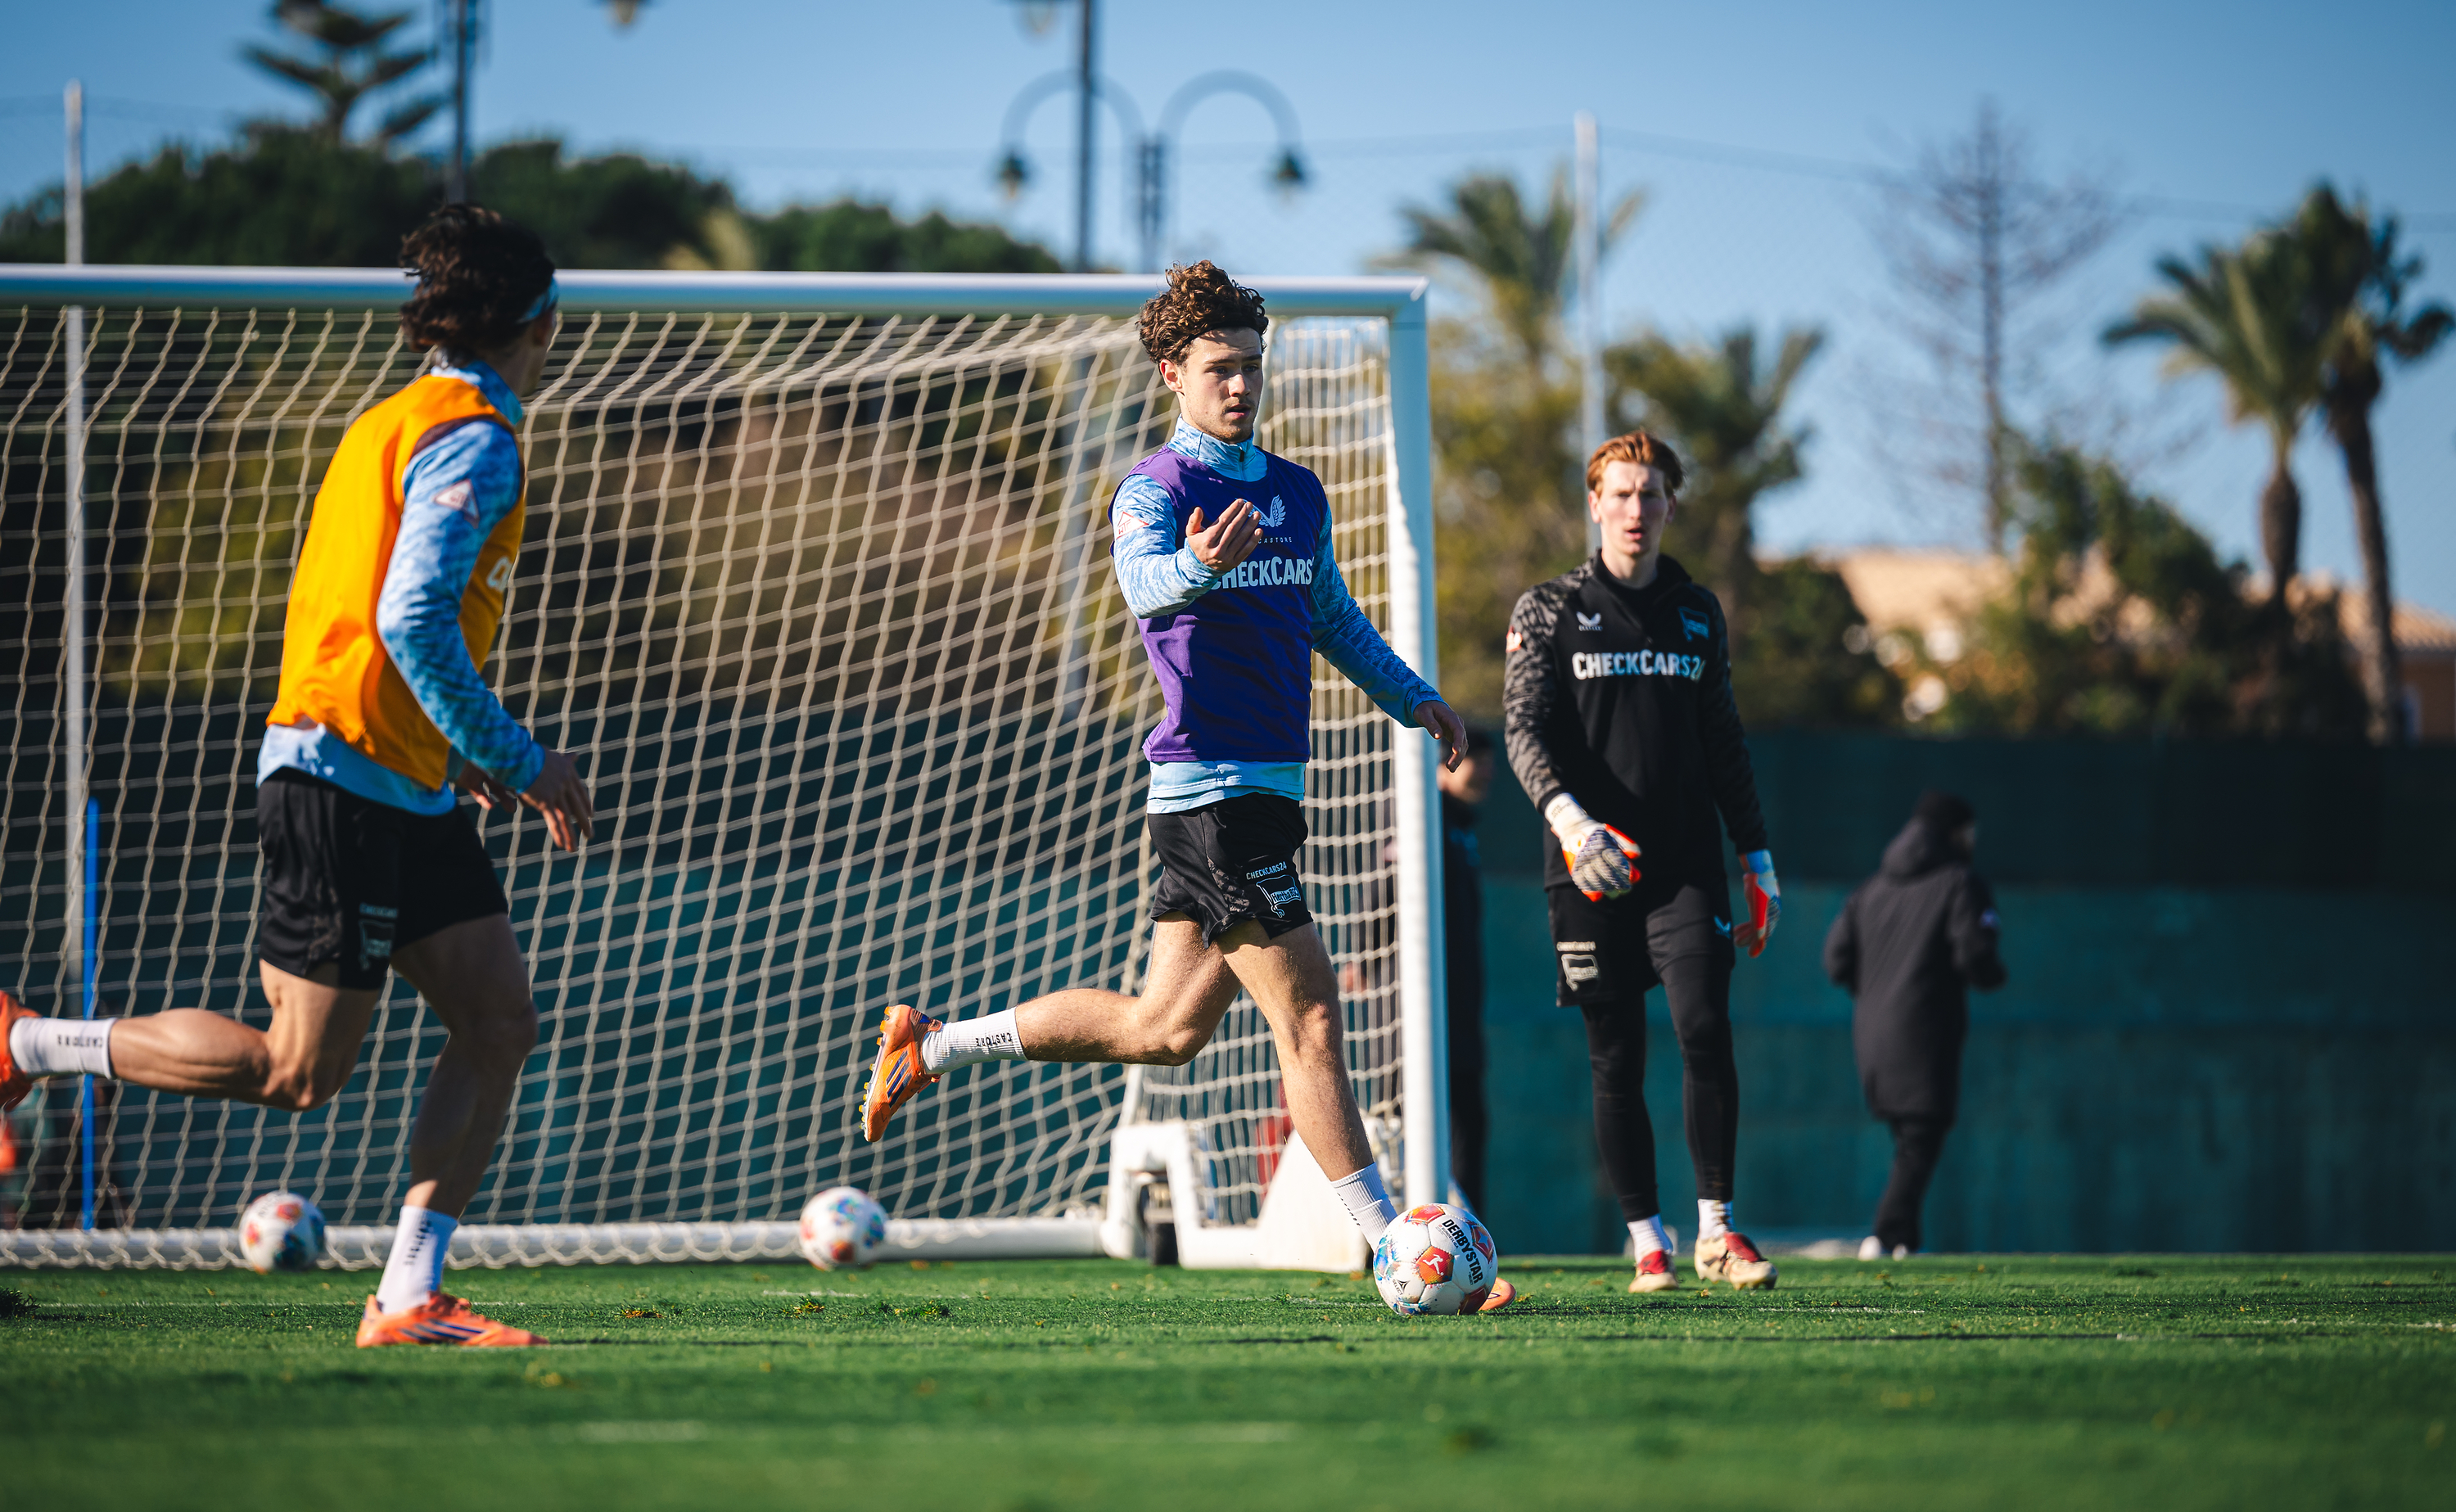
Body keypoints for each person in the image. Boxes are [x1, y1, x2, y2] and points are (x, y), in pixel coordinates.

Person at [857, 262, 1511, 1309]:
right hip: (1206, 796)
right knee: (1311, 1022)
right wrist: (1199, 566)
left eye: (1253, 367)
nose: (1242, 386)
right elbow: (1145, 585)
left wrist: (1416, 697)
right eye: (1220, 369)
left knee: (1163, 1030)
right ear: (1174, 373)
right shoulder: (1155, 491)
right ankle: (1396, 1245)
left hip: (1261, 796)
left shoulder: (1297, 491)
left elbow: (1330, 616)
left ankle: (931, 1044)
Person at [0, 205, 594, 1347]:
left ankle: (410, 1293)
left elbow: (371, 619)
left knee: (499, 1018)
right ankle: (28, 1043)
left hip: (401, 780)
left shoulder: (397, 415)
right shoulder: (474, 434)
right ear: (543, 324)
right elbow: (410, 616)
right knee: (294, 1068)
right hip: (342, 778)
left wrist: (450, 749)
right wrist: (521, 758)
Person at [1503, 430, 1785, 1293]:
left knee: (1704, 1026)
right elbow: (1522, 730)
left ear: (1671, 504)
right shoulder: (1546, 609)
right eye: (1620, 494)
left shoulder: (1698, 612)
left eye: (1651, 494)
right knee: (1615, 1056)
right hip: (1587, 868)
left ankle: (1717, 1230)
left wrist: (1758, 854)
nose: (1636, 510)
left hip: (1685, 865)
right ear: (1594, 502)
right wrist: (1572, 824)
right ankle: (1647, 1239)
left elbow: (1724, 741)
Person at [1823, 789, 2006, 1260]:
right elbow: (1976, 956)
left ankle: (1906, 1241)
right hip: (1925, 1030)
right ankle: (1884, 1235)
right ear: (1955, 833)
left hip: (1871, 1033)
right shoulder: (1959, 882)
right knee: (1922, 1136)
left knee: (1911, 1139)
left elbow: (1835, 961)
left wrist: (1878, 992)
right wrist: (1992, 973)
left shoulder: (1870, 889)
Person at [1438, 728, 1495, 1214]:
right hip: (1421, 1004)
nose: (1489, 773)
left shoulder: (1462, 824)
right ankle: (1393, 1233)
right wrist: (1369, 960)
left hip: (1462, 999)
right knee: (1417, 1114)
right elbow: (1383, 899)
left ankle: (1468, 1231)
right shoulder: (1424, 819)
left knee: (1469, 1117)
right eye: (1478, 761)